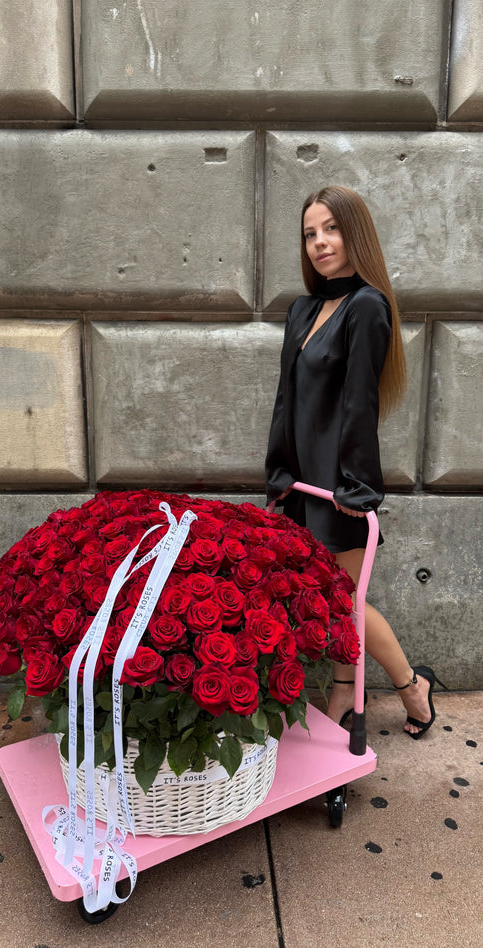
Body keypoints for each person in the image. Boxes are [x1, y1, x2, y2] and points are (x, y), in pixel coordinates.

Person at [265, 185, 444, 739]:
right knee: (327, 601)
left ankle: (411, 686)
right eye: (310, 233)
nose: (320, 242)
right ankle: (350, 687)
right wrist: (277, 476)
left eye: (331, 229)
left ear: (354, 233)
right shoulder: (303, 309)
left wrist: (358, 485)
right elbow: (285, 399)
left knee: (343, 600)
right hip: (300, 484)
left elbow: (359, 403)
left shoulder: (366, 306)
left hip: (338, 485)